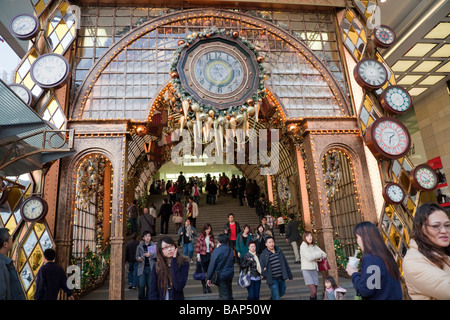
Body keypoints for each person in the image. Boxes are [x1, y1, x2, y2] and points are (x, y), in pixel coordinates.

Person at [402, 203, 450, 300]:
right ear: (421, 229)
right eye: (436, 226)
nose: (444, 230)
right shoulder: (413, 261)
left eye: (447, 225)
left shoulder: (440, 249)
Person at [345, 221, 402, 300]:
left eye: (357, 237)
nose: (357, 241)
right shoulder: (387, 255)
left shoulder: (371, 258)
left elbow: (366, 290)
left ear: (365, 238)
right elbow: (377, 284)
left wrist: (354, 273)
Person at [150, 236, 190, 300]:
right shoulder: (157, 266)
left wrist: (173, 261)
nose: (169, 249)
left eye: (171, 246)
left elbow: (179, 286)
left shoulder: (183, 263)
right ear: (161, 251)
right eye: (165, 247)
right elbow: (153, 290)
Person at [206, 233, 235, 300]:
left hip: (221, 274)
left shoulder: (217, 250)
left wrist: (209, 277)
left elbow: (212, 264)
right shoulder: (230, 249)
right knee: (229, 291)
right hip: (230, 273)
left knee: (224, 294)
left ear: (218, 241)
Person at [300, 231, 327, 300]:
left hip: (314, 269)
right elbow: (309, 257)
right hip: (306, 270)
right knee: (313, 291)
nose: (310, 237)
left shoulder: (314, 246)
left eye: (311, 236)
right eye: (308, 236)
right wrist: (318, 254)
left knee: (315, 291)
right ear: (304, 237)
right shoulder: (303, 246)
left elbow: (324, 255)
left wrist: (318, 258)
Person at [0, 228, 25, 300]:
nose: (12, 240)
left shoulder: (5, 262)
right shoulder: (1, 264)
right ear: (5, 244)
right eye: (10, 238)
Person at [136, 231, 157, 300]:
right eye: (146, 236)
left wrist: (150, 255)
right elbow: (136, 256)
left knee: (150, 286)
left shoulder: (154, 246)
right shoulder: (139, 247)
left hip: (151, 268)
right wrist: (138, 258)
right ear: (143, 238)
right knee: (141, 285)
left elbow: (157, 256)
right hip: (142, 268)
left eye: (149, 236)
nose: (148, 238)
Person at [196, 223, 215, 294]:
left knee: (209, 272)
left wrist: (211, 243)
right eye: (207, 229)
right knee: (203, 272)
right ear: (204, 229)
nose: (208, 230)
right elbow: (198, 247)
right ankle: (204, 287)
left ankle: (208, 286)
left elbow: (214, 246)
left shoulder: (211, 236)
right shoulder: (201, 236)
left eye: (209, 229)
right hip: (202, 255)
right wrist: (198, 256)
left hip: (209, 255)